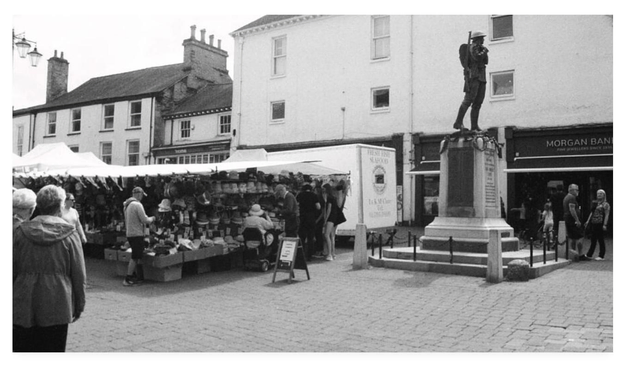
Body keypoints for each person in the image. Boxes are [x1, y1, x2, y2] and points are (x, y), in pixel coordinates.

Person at [13, 184, 86, 352]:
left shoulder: (19, 232)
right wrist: (79, 303)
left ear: (38, 205)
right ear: (60, 206)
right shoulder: (70, 234)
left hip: (24, 300)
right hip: (58, 302)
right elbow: (79, 274)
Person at [453, 30, 489, 132]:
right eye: (482, 38)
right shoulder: (472, 47)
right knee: (468, 100)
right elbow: (477, 57)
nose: (483, 40)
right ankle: (458, 122)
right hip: (474, 77)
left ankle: (474, 126)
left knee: (478, 102)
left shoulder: (480, 48)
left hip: (481, 77)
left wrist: (484, 51)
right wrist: (484, 52)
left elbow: (486, 61)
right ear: (477, 39)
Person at [123, 187, 155, 286]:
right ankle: (128, 278)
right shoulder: (137, 205)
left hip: (130, 233)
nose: (142, 197)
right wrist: (152, 218)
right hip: (136, 234)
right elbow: (144, 219)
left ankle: (137, 275)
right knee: (135, 256)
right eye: (141, 195)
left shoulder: (127, 205)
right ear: (139, 194)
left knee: (137, 255)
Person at [296, 183, 321, 261]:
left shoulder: (300, 195)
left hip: (302, 218)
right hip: (311, 218)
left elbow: (296, 205)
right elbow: (318, 207)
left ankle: (301, 255)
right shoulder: (314, 195)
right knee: (310, 237)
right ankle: (309, 255)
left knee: (302, 237)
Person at [585, 189, 611, 261]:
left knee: (600, 239)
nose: (599, 195)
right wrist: (588, 221)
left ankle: (601, 255)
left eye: (601, 194)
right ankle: (589, 254)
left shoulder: (606, 204)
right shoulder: (596, 203)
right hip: (594, 222)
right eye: (598, 194)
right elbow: (592, 212)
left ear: (604, 195)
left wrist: (605, 224)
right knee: (593, 239)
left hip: (600, 223)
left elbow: (607, 214)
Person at [563, 184, 586, 260]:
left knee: (573, 237)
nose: (577, 191)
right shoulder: (571, 198)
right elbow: (572, 209)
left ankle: (573, 253)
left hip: (568, 219)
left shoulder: (566, 197)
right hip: (572, 220)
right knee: (580, 236)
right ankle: (580, 254)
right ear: (571, 190)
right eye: (576, 190)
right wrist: (577, 220)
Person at [322, 183, 340, 261]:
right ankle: (333, 253)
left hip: (330, 218)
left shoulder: (329, 198)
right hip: (334, 217)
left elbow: (329, 209)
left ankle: (329, 254)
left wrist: (325, 219)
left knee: (326, 235)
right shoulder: (333, 197)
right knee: (332, 236)